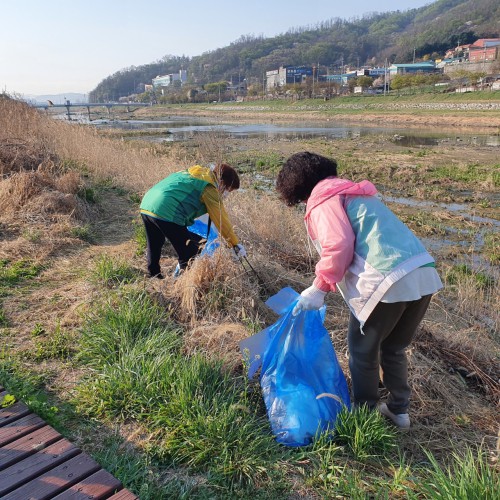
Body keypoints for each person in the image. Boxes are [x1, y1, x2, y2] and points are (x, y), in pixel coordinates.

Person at [275, 152, 442, 429]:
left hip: (386, 280)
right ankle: (399, 411)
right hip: (422, 273)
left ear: (297, 185)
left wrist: (319, 288)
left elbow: (338, 244)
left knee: (362, 352)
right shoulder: (354, 193)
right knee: (393, 348)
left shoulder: (323, 198)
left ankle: (364, 414)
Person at [140, 163, 246, 279]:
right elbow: (221, 219)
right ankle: (181, 283)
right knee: (190, 252)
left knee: (155, 242)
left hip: (148, 204)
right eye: (228, 190)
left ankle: (154, 276)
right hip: (166, 210)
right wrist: (234, 243)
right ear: (222, 182)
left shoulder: (196, 173)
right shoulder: (209, 187)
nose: (226, 194)